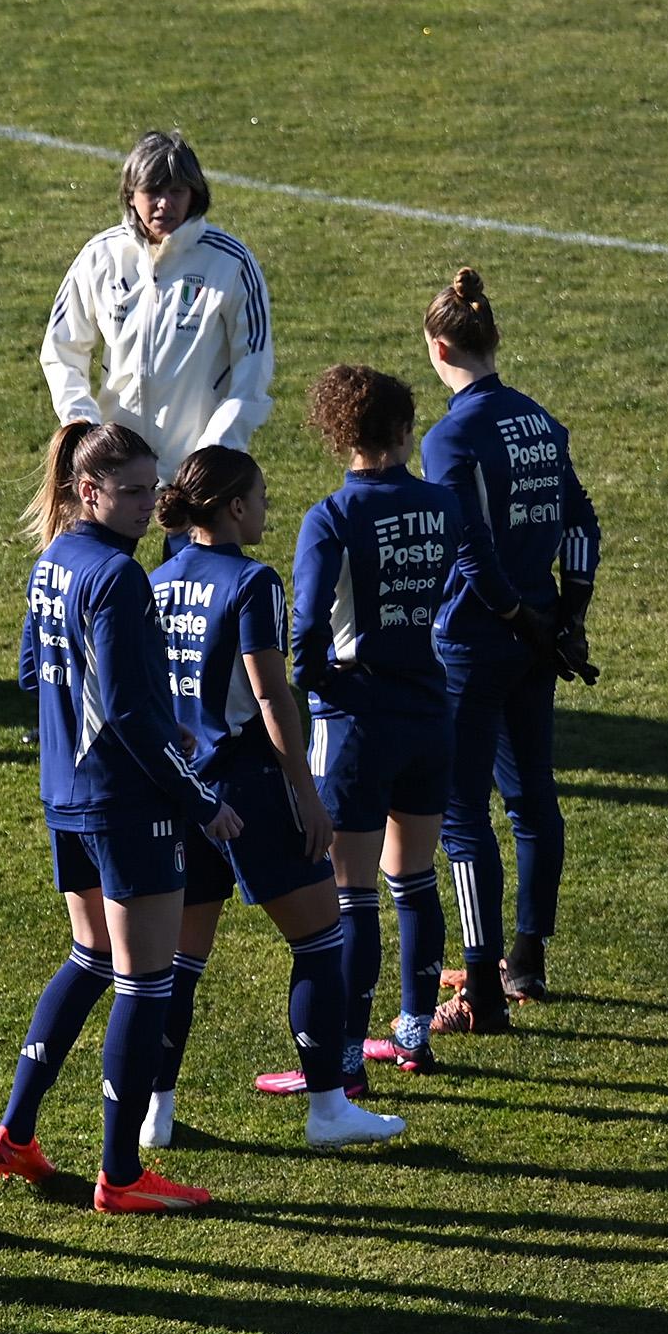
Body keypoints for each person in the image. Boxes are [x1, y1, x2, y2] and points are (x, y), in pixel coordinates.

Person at [0, 424, 233, 1212]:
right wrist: (203, 801)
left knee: (90, 955)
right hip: (126, 804)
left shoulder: (53, 561)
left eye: (150, 490)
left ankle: (15, 1133)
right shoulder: (120, 580)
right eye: (129, 492)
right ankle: (120, 1174)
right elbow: (126, 713)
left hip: (65, 795)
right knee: (144, 979)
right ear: (86, 491)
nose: (146, 506)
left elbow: (33, 672)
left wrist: (148, 713)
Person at [151, 447, 404, 1147]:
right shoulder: (252, 581)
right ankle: (327, 1108)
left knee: (177, 963)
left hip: (184, 790)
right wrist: (306, 793)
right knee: (320, 940)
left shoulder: (159, 578)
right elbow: (269, 696)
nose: (267, 506)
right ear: (233, 507)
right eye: (260, 495)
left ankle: (154, 1115)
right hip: (250, 787)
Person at [294, 365, 507, 1083]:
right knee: (413, 879)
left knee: (349, 895)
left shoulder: (331, 516)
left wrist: (314, 690)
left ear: (336, 434)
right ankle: (412, 1032)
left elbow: (305, 633)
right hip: (427, 708)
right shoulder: (440, 505)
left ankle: (349, 1055)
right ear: (404, 428)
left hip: (356, 718)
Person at [418, 268, 598, 1030]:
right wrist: (569, 615)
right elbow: (582, 524)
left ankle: (482, 991)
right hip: (537, 638)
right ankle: (527, 961)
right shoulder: (538, 420)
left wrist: (514, 613)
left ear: (437, 347)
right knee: (530, 798)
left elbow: (467, 548)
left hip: (474, 641)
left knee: (460, 817)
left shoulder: (450, 434)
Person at [40, 131, 276, 464]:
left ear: (194, 194)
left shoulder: (230, 261)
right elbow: (61, 348)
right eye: (152, 191)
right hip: (117, 468)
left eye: (176, 191)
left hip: (200, 468)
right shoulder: (100, 256)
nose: (164, 203)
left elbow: (254, 365)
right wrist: (84, 425)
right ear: (130, 194)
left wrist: (217, 447)